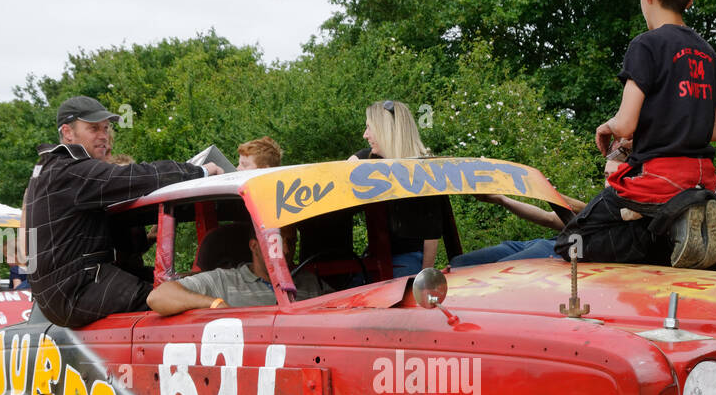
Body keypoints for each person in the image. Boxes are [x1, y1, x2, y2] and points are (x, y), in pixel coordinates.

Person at [560, 0, 716, 267]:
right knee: (633, 227)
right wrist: (681, 124)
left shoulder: (646, 45)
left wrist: (608, 126)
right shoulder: (708, 54)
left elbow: (625, 124)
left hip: (657, 180)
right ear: (689, 0)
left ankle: (673, 230)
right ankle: (676, 235)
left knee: (570, 243)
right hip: (701, 181)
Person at [23, 95, 223, 328]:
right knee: (167, 299)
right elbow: (134, 177)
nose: (103, 136)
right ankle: (221, 313)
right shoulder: (70, 171)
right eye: (93, 128)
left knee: (180, 283)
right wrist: (199, 172)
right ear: (68, 132)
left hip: (61, 291)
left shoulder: (50, 168)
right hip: (75, 289)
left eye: (106, 128)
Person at [348, 100, 448, 277]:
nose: (365, 135)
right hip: (373, 258)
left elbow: (431, 235)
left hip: (407, 259)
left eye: (369, 127)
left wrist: (423, 279)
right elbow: (342, 176)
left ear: (385, 129)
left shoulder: (424, 169)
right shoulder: (366, 158)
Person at [146, 223, 328, 315]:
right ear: (254, 246)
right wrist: (213, 303)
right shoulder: (223, 281)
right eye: (277, 242)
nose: (287, 250)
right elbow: (158, 297)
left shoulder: (309, 282)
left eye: (292, 242)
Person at [449, 194, 587, 269]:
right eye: (605, 174)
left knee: (494, 273)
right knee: (458, 264)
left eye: (609, 176)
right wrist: (502, 199)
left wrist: (548, 192)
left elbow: (589, 209)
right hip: (538, 243)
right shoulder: (599, 204)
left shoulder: (606, 206)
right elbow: (548, 218)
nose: (607, 181)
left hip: (557, 251)